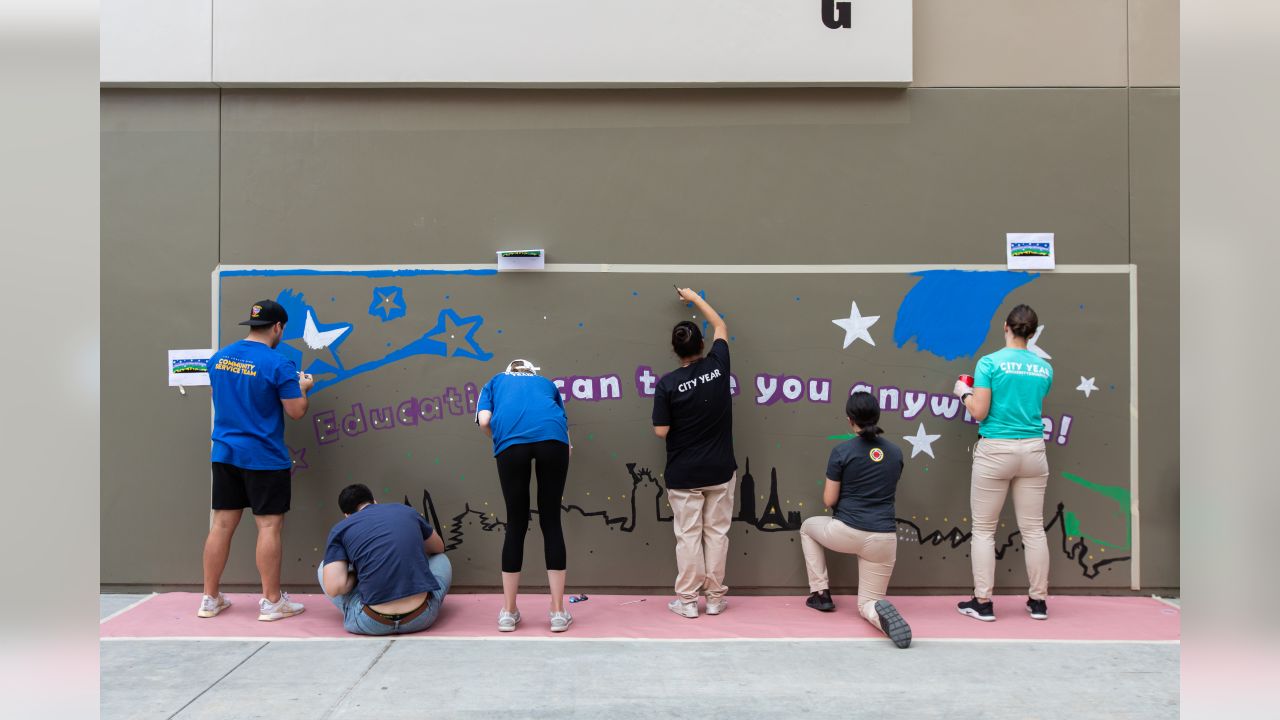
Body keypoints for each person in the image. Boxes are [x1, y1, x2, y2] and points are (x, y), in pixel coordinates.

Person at [199, 299, 314, 621]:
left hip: (224, 453)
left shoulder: (219, 358)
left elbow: (218, 397)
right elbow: (296, 411)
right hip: (264, 457)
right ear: (278, 327)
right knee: (268, 526)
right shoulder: (280, 364)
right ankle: (271, 602)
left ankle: (209, 598)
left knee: (221, 525)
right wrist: (303, 387)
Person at [954, 303, 1054, 622]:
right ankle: (1038, 602)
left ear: (1005, 327)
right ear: (1033, 332)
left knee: (984, 530)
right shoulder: (1044, 368)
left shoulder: (989, 363)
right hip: (1034, 451)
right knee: (1034, 529)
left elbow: (980, 412)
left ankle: (983, 603)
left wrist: (963, 393)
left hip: (996, 449)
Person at [798, 391, 912, 648]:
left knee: (807, 528)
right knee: (868, 603)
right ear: (878, 416)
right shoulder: (895, 453)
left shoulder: (842, 451)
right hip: (884, 538)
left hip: (847, 531)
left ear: (850, 420)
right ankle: (878, 611)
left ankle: (820, 593)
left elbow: (829, 500)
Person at [653, 288, 737, 619]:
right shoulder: (719, 365)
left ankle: (687, 601)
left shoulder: (668, 384)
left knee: (688, 536)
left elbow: (661, 430)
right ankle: (715, 597)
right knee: (717, 534)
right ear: (702, 345)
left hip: (684, 473)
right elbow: (721, 326)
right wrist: (694, 298)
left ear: (675, 350)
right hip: (720, 469)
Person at [475, 359, 574, 633]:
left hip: (511, 443)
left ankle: (508, 612)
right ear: (532, 373)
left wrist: (502, 439)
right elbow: (564, 431)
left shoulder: (494, 382)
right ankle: (557, 612)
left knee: (516, 522)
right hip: (554, 440)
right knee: (551, 520)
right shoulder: (546, 384)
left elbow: (484, 420)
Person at [318, 484, 452, 635]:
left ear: (347, 515)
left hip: (371, 622)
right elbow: (438, 547)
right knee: (441, 559)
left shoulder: (341, 528)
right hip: (422, 617)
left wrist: (357, 575)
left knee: (324, 568)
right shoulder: (406, 511)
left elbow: (334, 588)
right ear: (374, 501)